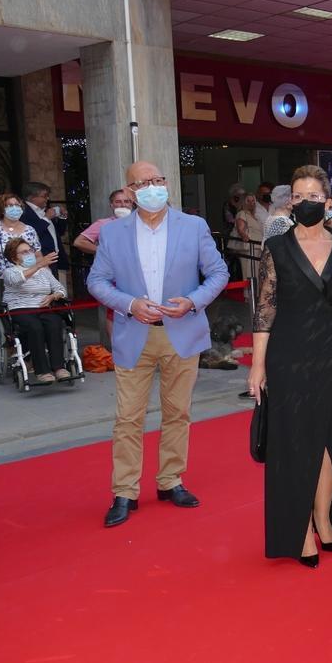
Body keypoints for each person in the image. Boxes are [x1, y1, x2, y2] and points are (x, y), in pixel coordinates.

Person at [87, 160, 229, 528]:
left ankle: (170, 481)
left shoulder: (194, 226)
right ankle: (124, 491)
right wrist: (130, 304)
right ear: (131, 192)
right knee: (127, 418)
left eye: (159, 180)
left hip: (182, 332)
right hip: (133, 334)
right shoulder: (114, 233)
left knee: (177, 412)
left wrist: (193, 301)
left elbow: (218, 273)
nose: (154, 187)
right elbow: (97, 281)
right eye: (144, 182)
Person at [249, 164, 332, 567]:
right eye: (297, 197)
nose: (304, 203)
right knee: (296, 442)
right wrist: (257, 366)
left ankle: (323, 518)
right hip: (290, 353)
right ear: (290, 203)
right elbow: (265, 309)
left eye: (312, 197)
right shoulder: (277, 249)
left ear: (328, 203)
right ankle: (299, 529)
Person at [1, 238, 70, 383]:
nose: (29, 254)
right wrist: (39, 265)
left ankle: (58, 367)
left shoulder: (44, 271)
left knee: (54, 323)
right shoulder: (9, 272)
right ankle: (42, 371)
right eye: (24, 252)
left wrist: (53, 296)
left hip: (43, 308)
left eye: (30, 250)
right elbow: (17, 281)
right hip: (20, 310)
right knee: (35, 327)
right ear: (14, 258)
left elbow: (61, 289)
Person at [74, 189, 135, 345]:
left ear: (133, 203)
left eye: (126, 201)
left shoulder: (140, 221)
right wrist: (103, 251)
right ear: (111, 205)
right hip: (113, 275)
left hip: (138, 275)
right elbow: (79, 242)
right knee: (114, 313)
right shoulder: (104, 224)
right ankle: (119, 350)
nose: (123, 205)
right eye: (118, 202)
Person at [0, 193, 46, 310]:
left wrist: (38, 269)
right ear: (2, 209)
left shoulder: (30, 230)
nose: (14, 208)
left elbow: (38, 255)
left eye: (17, 205)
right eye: (10, 205)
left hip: (27, 280)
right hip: (1, 281)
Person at [20, 181, 70, 288]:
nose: (47, 199)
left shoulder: (44, 211)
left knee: (56, 291)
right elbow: (31, 233)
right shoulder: (24, 213)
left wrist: (62, 217)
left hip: (53, 257)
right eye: (44, 196)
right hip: (39, 258)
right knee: (44, 290)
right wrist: (46, 218)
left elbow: (59, 232)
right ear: (32, 197)